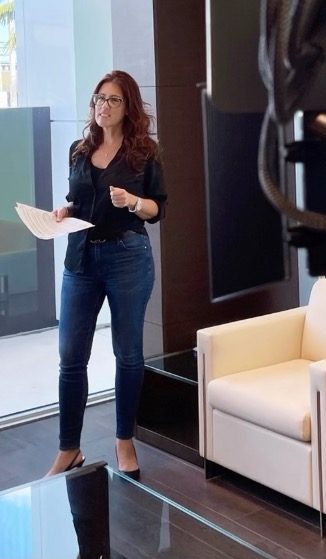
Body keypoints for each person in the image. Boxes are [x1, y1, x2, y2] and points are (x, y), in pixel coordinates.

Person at [46, 70, 167, 479]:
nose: (103, 106)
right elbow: (77, 201)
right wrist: (64, 211)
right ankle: (69, 449)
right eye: (99, 98)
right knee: (70, 356)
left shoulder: (145, 153)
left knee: (127, 352)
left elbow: (157, 209)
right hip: (80, 259)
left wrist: (133, 201)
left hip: (127, 258)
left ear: (127, 106)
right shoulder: (79, 150)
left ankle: (124, 440)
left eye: (113, 99)